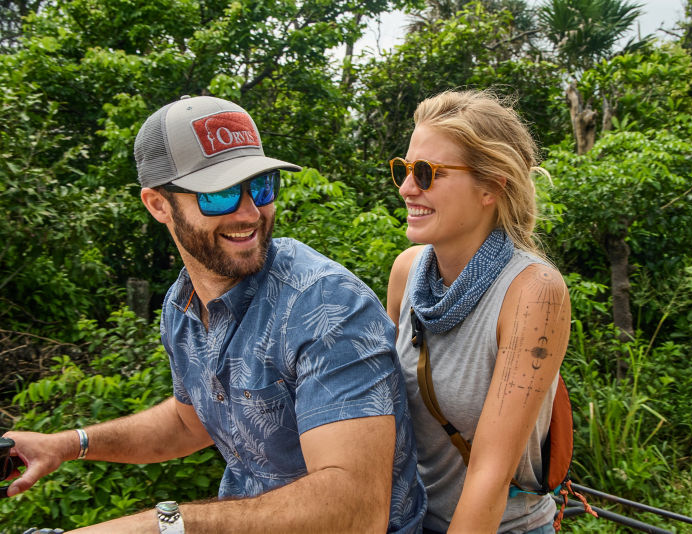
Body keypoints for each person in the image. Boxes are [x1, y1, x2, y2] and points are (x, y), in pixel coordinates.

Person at [2, 95, 426, 533]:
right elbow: (190, 423)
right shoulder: (181, 306)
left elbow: (357, 511)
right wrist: (68, 444)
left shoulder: (325, 306)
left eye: (260, 187)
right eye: (219, 194)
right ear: (158, 204)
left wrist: (161, 526)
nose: (249, 213)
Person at [386, 90, 570, 534]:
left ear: (491, 186)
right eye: (404, 170)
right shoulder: (407, 272)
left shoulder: (532, 293)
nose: (408, 187)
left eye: (427, 173)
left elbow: (490, 473)